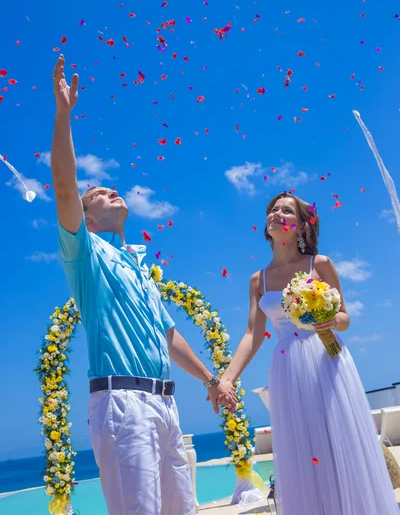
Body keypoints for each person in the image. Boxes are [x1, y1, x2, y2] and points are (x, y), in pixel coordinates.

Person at [51, 55, 237, 515]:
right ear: (87, 219)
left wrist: (213, 380)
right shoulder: (86, 256)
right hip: (121, 404)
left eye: (111, 188)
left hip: (165, 404)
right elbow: (63, 187)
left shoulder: (138, 268)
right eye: (98, 195)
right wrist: (63, 114)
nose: (111, 190)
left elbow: (168, 336)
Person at [219, 192, 399, 514]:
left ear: (301, 227)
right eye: (273, 209)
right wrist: (228, 378)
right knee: (301, 454)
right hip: (287, 369)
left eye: (286, 210)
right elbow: (252, 334)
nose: (277, 213)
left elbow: (344, 319)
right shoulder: (257, 280)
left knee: (338, 444)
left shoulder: (321, 264)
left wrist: (327, 319)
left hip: (326, 359)